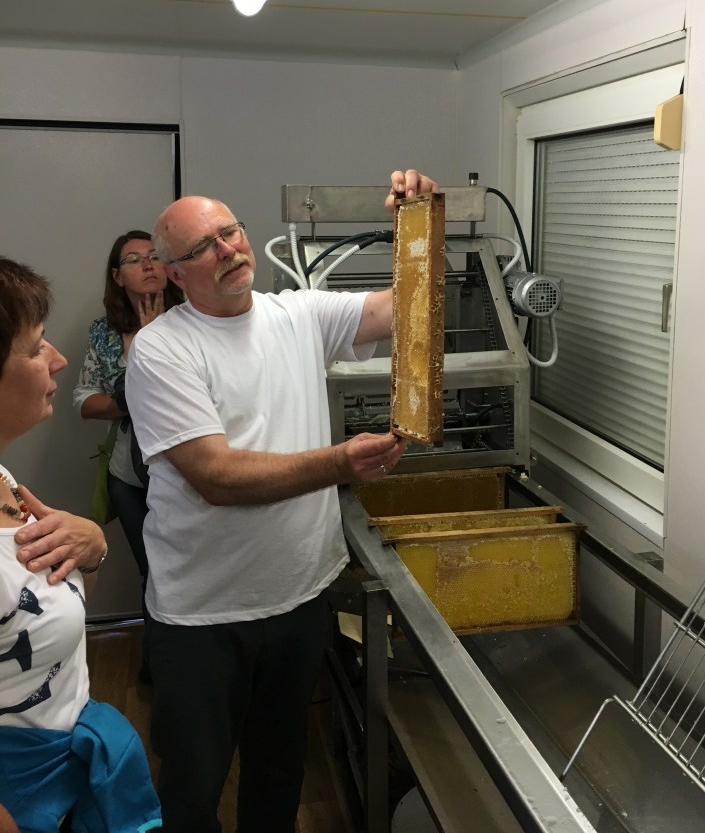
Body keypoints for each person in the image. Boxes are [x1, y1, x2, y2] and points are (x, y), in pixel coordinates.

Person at [125, 168, 439, 832]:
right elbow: (216, 477)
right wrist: (338, 463)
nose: (228, 249)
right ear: (174, 274)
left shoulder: (297, 314)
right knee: (193, 785)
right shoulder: (161, 350)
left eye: (230, 232)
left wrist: (417, 226)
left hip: (297, 597)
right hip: (203, 616)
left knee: (278, 770)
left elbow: (404, 306)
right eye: (203, 247)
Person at [0, 256, 161, 832]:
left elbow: (39, 606)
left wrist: (90, 548)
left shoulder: (6, 480)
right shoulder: (107, 330)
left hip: (66, 782)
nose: (57, 358)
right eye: (36, 347)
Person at [73, 230, 184, 680]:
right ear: (118, 276)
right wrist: (129, 398)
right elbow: (84, 400)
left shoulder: (194, 318)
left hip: (185, 470)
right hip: (129, 475)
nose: (148, 265)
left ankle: (184, 666)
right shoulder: (104, 333)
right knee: (152, 570)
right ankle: (157, 669)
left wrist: (155, 341)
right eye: (135, 259)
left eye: (155, 256)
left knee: (184, 568)